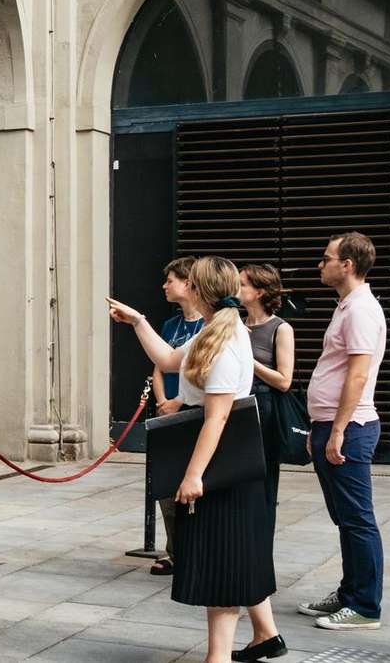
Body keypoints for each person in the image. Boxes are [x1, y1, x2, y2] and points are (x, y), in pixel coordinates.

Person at [111, 257, 282, 663]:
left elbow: (218, 415)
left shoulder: (223, 340)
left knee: (223, 559)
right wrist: (137, 322)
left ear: (199, 290)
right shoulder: (212, 331)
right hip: (218, 458)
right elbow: (169, 361)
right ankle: (255, 638)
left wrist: (193, 475)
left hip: (219, 461)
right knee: (233, 556)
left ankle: (217, 658)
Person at [299, 231, 386, 631]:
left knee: (357, 518)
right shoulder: (347, 306)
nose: (322, 264)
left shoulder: (360, 310)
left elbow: (358, 373)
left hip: (349, 427)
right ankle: (350, 591)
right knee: (345, 518)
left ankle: (365, 606)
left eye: (326, 257)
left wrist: (337, 430)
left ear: (347, 264)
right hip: (331, 425)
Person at [151, 256, 206, 577]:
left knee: (194, 483)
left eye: (170, 280)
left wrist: (180, 402)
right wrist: (163, 401)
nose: (165, 286)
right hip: (168, 412)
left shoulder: (209, 326)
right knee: (166, 485)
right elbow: (159, 366)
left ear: (188, 283)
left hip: (192, 411)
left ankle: (198, 548)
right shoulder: (171, 325)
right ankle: (175, 551)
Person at [241, 264, 296, 513]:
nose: (236, 289)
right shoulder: (237, 324)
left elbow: (284, 380)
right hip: (236, 404)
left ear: (260, 292)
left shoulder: (281, 329)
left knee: (262, 479)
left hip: (264, 409)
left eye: (242, 284)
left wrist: (248, 360)